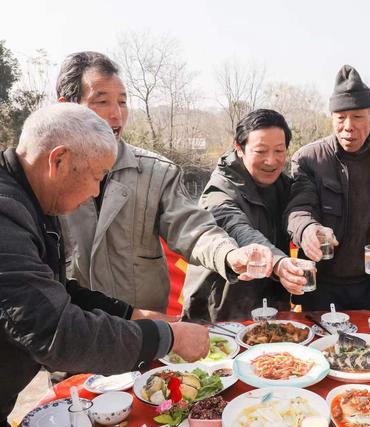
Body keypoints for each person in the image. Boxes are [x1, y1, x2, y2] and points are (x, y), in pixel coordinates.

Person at [0, 104, 210, 426]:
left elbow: (56, 291)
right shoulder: (6, 216)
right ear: (58, 160)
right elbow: (57, 330)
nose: (96, 192)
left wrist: (130, 313)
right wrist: (168, 337)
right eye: (97, 177)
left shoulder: (34, 203)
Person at [56, 51, 272, 312]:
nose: (116, 114)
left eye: (122, 102)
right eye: (102, 101)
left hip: (144, 331)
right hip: (73, 329)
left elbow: (191, 228)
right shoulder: (50, 175)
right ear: (66, 106)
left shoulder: (155, 171)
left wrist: (228, 254)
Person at [286, 65, 370, 313]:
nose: (348, 126)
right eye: (340, 118)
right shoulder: (309, 159)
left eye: (357, 117)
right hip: (322, 285)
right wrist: (307, 230)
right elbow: (299, 208)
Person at [182, 109, 306, 321]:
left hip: (271, 309)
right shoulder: (219, 191)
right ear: (239, 149)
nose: (271, 161)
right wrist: (277, 262)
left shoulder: (285, 187)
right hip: (219, 314)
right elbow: (239, 230)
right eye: (260, 151)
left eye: (279, 151)